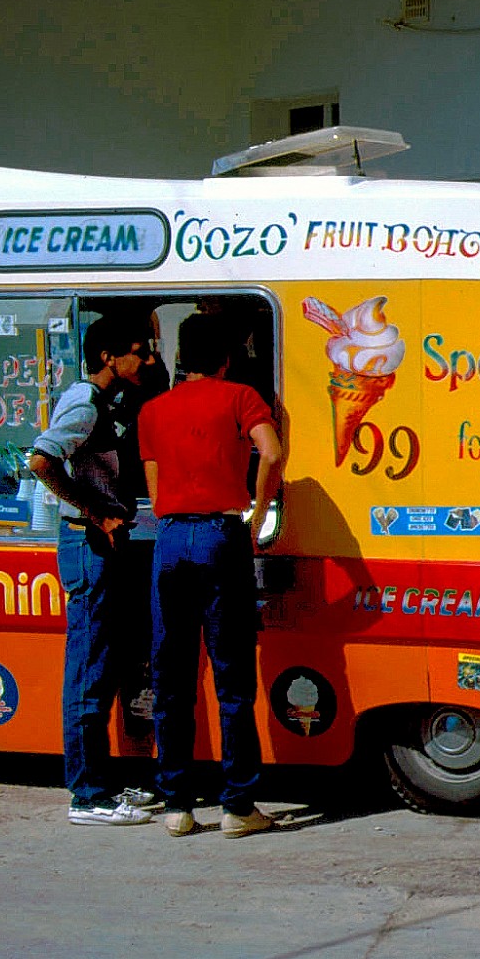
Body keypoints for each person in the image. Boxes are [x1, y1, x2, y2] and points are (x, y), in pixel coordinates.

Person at [140, 312, 285, 838]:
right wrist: (257, 509)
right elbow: (271, 451)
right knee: (233, 679)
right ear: (226, 358)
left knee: (172, 677)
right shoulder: (241, 397)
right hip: (221, 535)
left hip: (170, 538)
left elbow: (155, 492)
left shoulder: (153, 410)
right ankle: (238, 806)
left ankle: (176, 804)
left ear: (181, 358)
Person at [28, 316, 159, 826]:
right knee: (88, 667)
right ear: (107, 357)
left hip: (104, 542)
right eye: (137, 351)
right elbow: (41, 461)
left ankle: (102, 780)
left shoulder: (106, 403)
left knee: (104, 666)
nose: (146, 360)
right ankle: (88, 796)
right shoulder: (84, 403)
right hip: (87, 545)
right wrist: (92, 510)